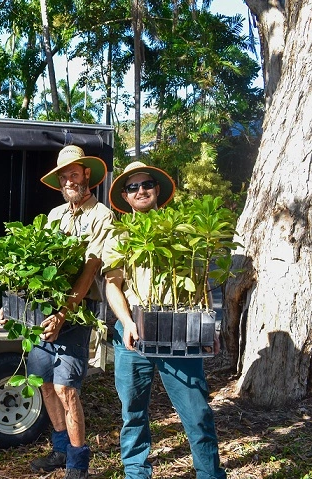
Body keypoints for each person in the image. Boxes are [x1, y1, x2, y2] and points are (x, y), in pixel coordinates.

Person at [102, 161, 226, 479]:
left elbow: (202, 283)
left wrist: (212, 325)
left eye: (147, 185)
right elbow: (112, 285)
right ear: (126, 197)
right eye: (133, 187)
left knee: (197, 412)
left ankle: (209, 474)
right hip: (133, 331)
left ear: (157, 190)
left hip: (181, 328)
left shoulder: (183, 230)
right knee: (133, 412)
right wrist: (127, 322)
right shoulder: (121, 235)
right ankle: (136, 473)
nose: (141, 190)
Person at [0, 145, 114, 479]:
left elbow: (90, 269)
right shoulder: (53, 217)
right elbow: (33, 269)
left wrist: (64, 312)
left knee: (67, 389)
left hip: (76, 313)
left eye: (74, 174)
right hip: (43, 311)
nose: (68, 180)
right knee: (44, 384)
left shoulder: (101, 215)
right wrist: (11, 304)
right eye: (63, 176)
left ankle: (78, 465)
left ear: (86, 176)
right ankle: (61, 450)